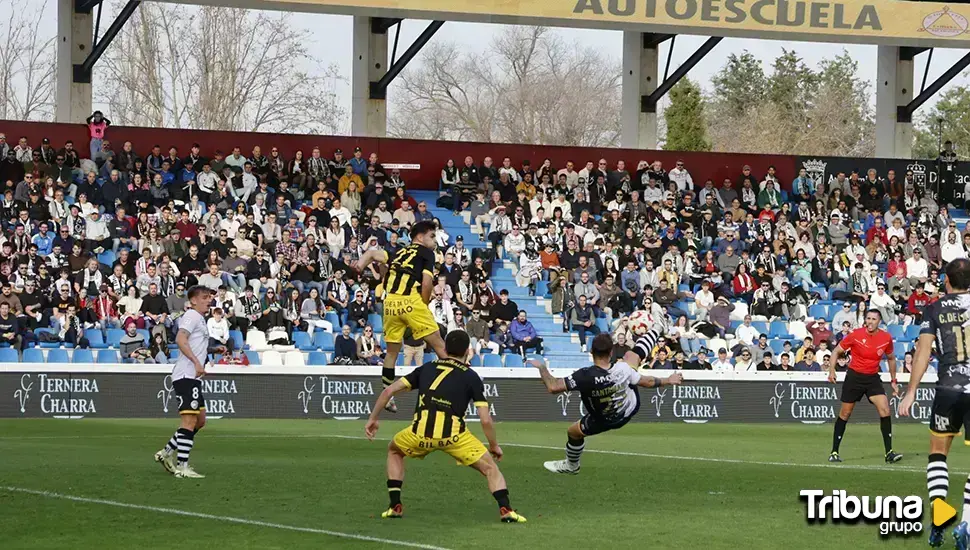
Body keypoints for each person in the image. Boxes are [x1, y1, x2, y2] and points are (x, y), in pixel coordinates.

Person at [364, 330, 526, 523]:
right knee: (491, 468)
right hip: (455, 437)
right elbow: (485, 420)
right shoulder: (471, 376)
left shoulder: (426, 368)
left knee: (394, 450)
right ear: (467, 350)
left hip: (419, 434)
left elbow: (389, 391)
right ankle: (506, 510)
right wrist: (493, 445)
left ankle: (395, 506)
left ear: (445, 348)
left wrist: (373, 419)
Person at [531, 333, 683, 474]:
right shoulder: (622, 369)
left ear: (591, 352)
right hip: (629, 409)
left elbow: (553, 386)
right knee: (632, 356)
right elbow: (648, 381)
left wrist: (542, 368)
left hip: (602, 420)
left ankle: (572, 465)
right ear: (611, 353)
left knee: (573, 433)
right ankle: (656, 329)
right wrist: (668, 380)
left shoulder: (584, 375)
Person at [900, 258, 970, 547]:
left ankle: (940, 509)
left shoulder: (934, 308)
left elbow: (923, 352)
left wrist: (911, 390)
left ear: (947, 281)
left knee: (938, 452)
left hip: (947, 388)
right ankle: (966, 521)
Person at [354, 221, 448, 412]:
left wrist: (359, 265)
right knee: (439, 343)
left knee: (392, 352)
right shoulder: (427, 253)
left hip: (390, 304)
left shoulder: (399, 251)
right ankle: (454, 388)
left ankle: (387, 396)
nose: (434, 240)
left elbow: (372, 253)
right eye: (431, 236)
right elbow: (427, 283)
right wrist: (423, 303)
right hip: (410, 300)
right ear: (420, 237)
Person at [154, 285, 222, 479]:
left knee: (199, 421)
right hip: (186, 375)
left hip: (191, 377)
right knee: (189, 420)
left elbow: (194, 343)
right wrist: (196, 363)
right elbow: (181, 339)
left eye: (210, 297)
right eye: (205, 297)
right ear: (193, 300)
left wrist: (213, 350)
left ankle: (166, 452)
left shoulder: (199, 319)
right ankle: (182, 466)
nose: (209, 300)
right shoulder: (192, 316)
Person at [826, 309, 901, 464]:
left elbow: (891, 359)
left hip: (873, 378)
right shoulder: (855, 335)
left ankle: (889, 453)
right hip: (854, 377)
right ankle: (834, 451)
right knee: (845, 414)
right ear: (865, 320)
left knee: (885, 409)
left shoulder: (886, 338)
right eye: (868, 318)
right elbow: (835, 352)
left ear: (879, 321)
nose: (870, 321)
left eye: (874, 319)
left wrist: (893, 381)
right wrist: (831, 370)